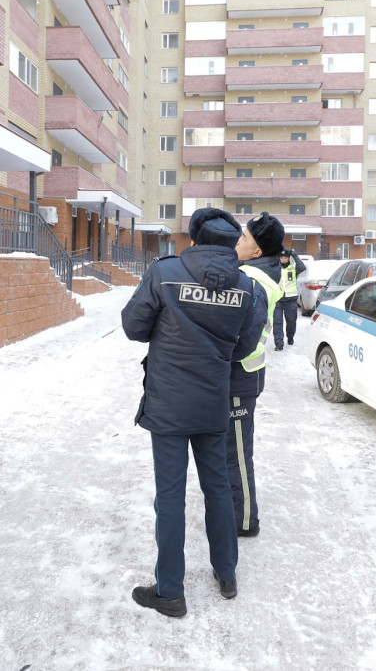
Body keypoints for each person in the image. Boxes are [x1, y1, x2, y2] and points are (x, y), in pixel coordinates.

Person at [121, 207, 264, 618]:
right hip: (213, 401)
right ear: (231, 243)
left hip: (168, 402)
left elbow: (133, 327)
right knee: (217, 486)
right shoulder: (247, 288)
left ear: (195, 240)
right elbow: (243, 346)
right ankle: (227, 574)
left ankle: (170, 591)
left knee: (170, 496)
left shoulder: (164, 273)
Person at [228, 212, 284, 538]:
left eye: (244, 238)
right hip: (239, 379)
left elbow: (246, 343)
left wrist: (213, 357)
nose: (238, 241)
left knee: (236, 455)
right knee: (229, 452)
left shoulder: (254, 283)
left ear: (256, 252)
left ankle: (245, 521)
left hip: (239, 380)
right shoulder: (248, 274)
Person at [273, 249, 308, 350]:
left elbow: (302, 267)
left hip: (291, 300)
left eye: (285, 258)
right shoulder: (275, 268)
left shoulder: (293, 268)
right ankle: (279, 344)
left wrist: (295, 255)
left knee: (291, 322)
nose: (283, 259)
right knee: (277, 322)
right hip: (278, 299)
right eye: (281, 258)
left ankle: (290, 337)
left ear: (288, 258)